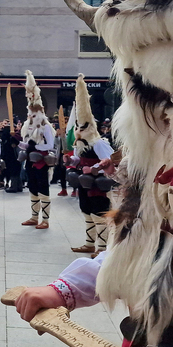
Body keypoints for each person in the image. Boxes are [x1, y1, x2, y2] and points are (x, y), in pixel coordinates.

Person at [64, 75, 116, 255]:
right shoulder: (80, 144)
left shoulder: (99, 143)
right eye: (78, 127)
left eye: (82, 127)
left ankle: (102, 248)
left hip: (99, 184)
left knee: (99, 212)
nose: (78, 131)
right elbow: (79, 159)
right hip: (85, 182)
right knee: (86, 210)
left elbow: (110, 161)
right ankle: (89, 243)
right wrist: (72, 161)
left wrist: (94, 169)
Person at [20, 71, 56, 230]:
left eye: (33, 113)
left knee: (43, 190)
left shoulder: (46, 126)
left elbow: (50, 145)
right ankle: (34, 217)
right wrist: (25, 145)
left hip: (41, 161)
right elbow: (25, 140)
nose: (31, 115)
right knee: (32, 189)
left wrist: (36, 148)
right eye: (30, 113)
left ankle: (45, 220)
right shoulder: (27, 126)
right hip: (29, 161)